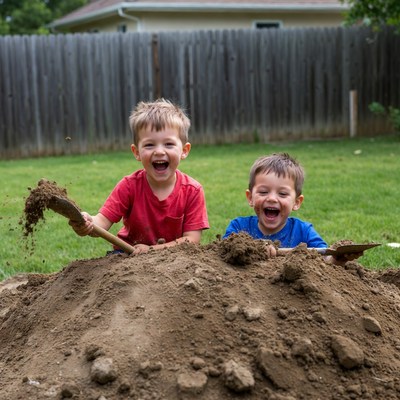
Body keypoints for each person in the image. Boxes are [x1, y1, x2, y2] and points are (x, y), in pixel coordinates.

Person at [70, 98, 209, 255]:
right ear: (136, 152)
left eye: (169, 144)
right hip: (128, 257)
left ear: (184, 150)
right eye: (149, 145)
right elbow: (101, 223)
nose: (159, 151)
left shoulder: (192, 191)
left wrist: (151, 250)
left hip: (174, 260)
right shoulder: (129, 186)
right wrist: (88, 224)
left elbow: (192, 240)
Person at [223, 153, 359, 264]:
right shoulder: (238, 227)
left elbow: (324, 256)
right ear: (250, 197)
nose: (271, 198)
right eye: (263, 192)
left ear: (296, 202)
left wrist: (337, 258)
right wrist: (256, 248)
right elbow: (221, 254)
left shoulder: (303, 231)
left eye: (282, 194)